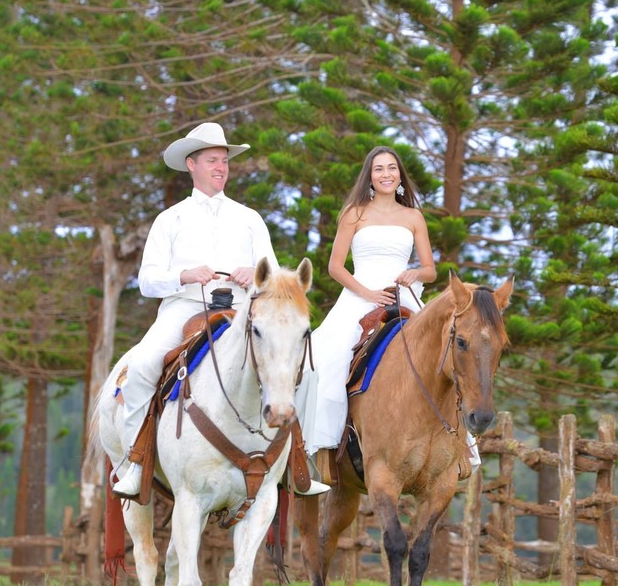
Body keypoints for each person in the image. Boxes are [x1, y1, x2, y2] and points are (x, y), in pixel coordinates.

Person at [112, 122, 329, 498]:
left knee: (304, 371)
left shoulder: (249, 218)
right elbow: (147, 281)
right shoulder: (170, 219)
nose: (221, 167)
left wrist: (255, 277)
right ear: (191, 164)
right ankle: (135, 461)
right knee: (143, 366)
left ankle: (298, 462)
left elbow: (275, 278)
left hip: (244, 313)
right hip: (184, 308)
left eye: (225, 161)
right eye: (212, 160)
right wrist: (184, 275)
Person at [303, 146, 482, 477]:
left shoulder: (413, 217)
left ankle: (458, 449)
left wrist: (416, 272)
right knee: (327, 362)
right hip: (361, 296)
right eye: (378, 169)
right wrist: (368, 293)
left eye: (391, 168)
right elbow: (334, 267)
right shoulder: (354, 214)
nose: (386, 174)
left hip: (405, 296)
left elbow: (430, 269)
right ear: (369, 177)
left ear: (400, 175)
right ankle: (325, 451)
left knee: (442, 360)